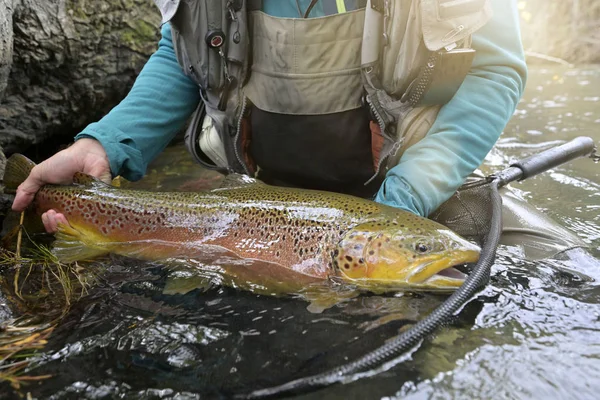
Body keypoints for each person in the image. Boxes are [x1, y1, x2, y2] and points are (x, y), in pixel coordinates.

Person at [12, 0, 527, 235]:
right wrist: (103, 145)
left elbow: (496, 71)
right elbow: (182, 55)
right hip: (254, 196)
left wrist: (406, 200)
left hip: (416, 188)